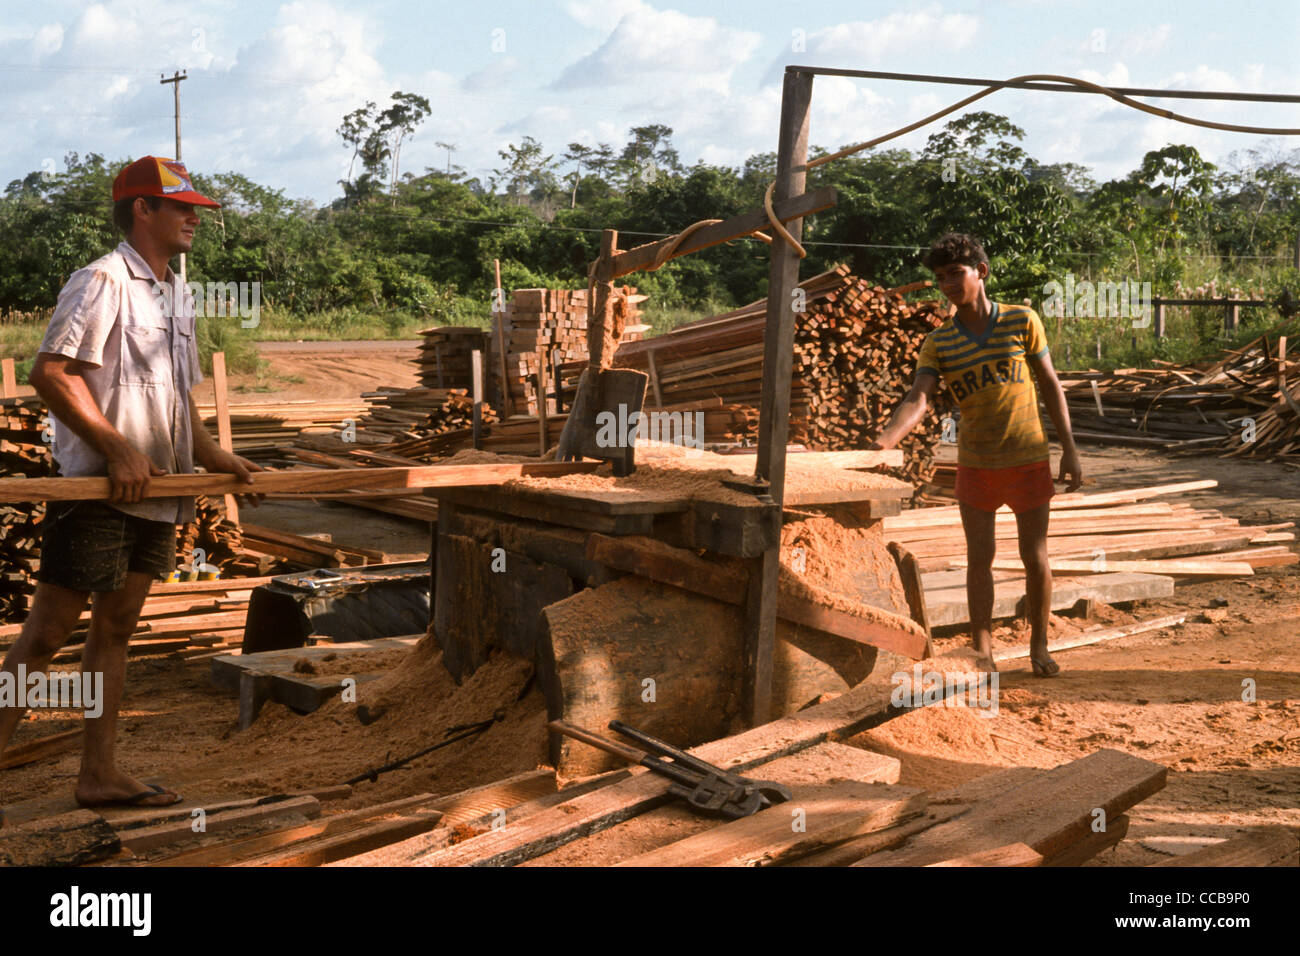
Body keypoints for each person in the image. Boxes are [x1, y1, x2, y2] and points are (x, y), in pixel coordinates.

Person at [0, 156, 263, 823]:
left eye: (197, 209)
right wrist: (115, 447)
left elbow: (177, 398)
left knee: (116, 626)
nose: (194, 218)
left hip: (161, 491)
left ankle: (99, 773)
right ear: (141, 210)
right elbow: (51, 373)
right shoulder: (101, 281)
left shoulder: (175, 293)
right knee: (49, 631)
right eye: (181, 207)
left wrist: (215, 457)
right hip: (99, 489)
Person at [870, 233, 1082, 676]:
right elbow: (918, 398)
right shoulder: (938, 342)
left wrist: (1070, 450)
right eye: (940, 277)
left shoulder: (1022, 321)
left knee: (1035, 554)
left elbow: (1050, 385)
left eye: (955, 273)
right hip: (977, 464)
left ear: (980, 272)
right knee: (979, 558)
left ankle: (1039, 645)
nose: (947, 283)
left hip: (1028, 457)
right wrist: (884, 440)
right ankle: (982, 648)